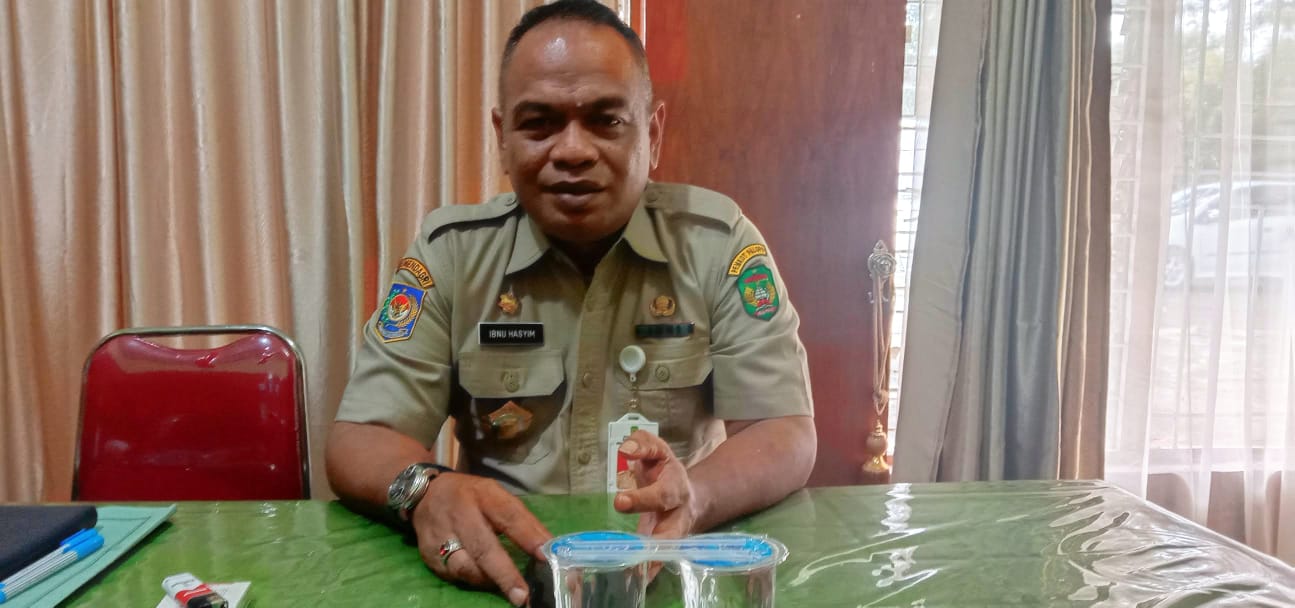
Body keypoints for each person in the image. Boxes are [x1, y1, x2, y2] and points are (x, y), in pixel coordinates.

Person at [324, 1, 816, 605]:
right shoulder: (450, 254)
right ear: (501, 138)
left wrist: (696, 498)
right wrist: (425, 489)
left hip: (670, 570)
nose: (573, 150)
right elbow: (361, 435)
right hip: (505, 574)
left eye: (606, 121)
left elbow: (782, 430)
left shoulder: (719, 244)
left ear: (652, 134)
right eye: (539, 124)